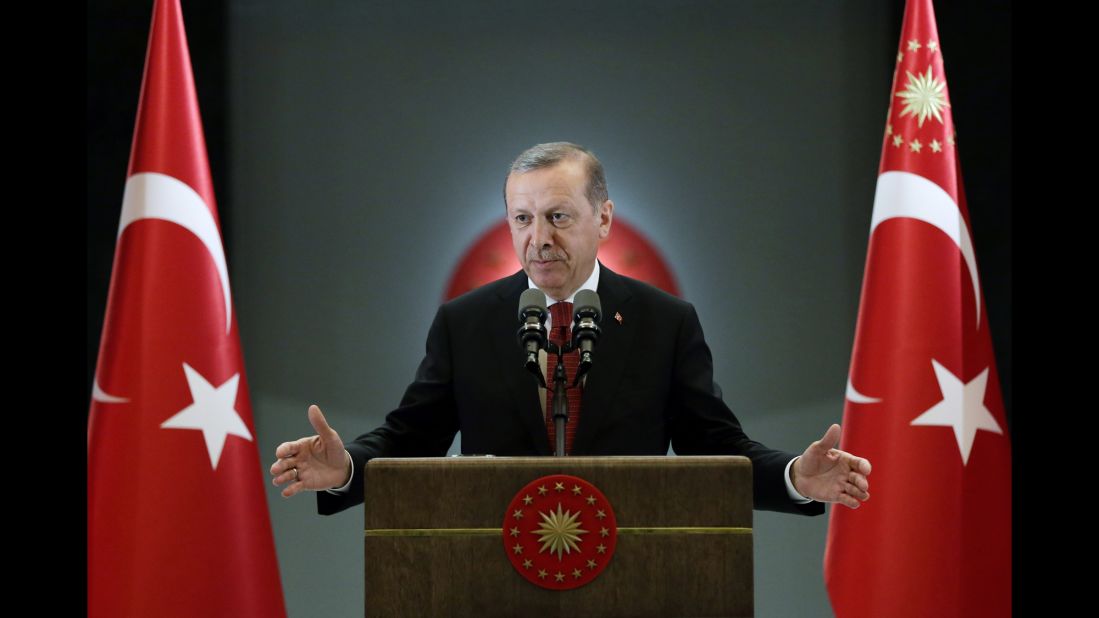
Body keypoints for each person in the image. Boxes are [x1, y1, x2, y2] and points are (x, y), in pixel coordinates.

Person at [270, 142, 870, 516]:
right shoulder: (467, 322)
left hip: (632, 572)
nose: (540, 239)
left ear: (603, 218)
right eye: (522, 219)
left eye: (558, 216)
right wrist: (345, 468)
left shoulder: (665, 322)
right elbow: (411, 438)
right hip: (490, 570)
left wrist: (795, 477)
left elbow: (715, 450)